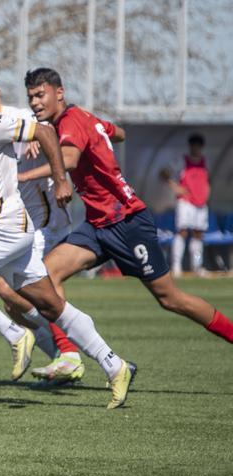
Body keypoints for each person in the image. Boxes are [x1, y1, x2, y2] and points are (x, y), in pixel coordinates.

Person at [0, 71, 134, 409]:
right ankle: (114, 364)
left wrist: (61, 180)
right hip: (2, 231)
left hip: (8, 224)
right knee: (52, 306)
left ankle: (15, 334)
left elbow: (45, 131)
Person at [18, 67, 233, 344]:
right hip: (97, 225)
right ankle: (69, 354)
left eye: (40, 95)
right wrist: (95, 135)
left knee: (170, 298)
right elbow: (119, 133)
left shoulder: (71, 121)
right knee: (45, 276)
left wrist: (22, 175)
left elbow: (69, 160)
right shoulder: (82, 118)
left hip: (127, 221)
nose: (35, 103)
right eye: (31, 97)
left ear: (59, 93)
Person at [0, 70, 85, 385]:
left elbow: (49, 132)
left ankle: (70, 353)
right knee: (13, 304)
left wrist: (40, 139)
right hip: (19, 228)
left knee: (12, 288)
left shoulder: (20, 119)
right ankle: (65, 357)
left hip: (47, 224)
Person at [163, 134, 211, 277]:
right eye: (194, 145)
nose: (196, 149)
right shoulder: (181, 161)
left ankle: (197, 266)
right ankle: (176, 266)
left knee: (198, 234)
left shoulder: (205, 162)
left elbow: (207, 180)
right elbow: (164, 173)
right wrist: (175, 187)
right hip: (186, 202)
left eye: (198, 146)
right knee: (182, 232)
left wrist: (207, 192)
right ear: (190, 146)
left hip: (201, 203)